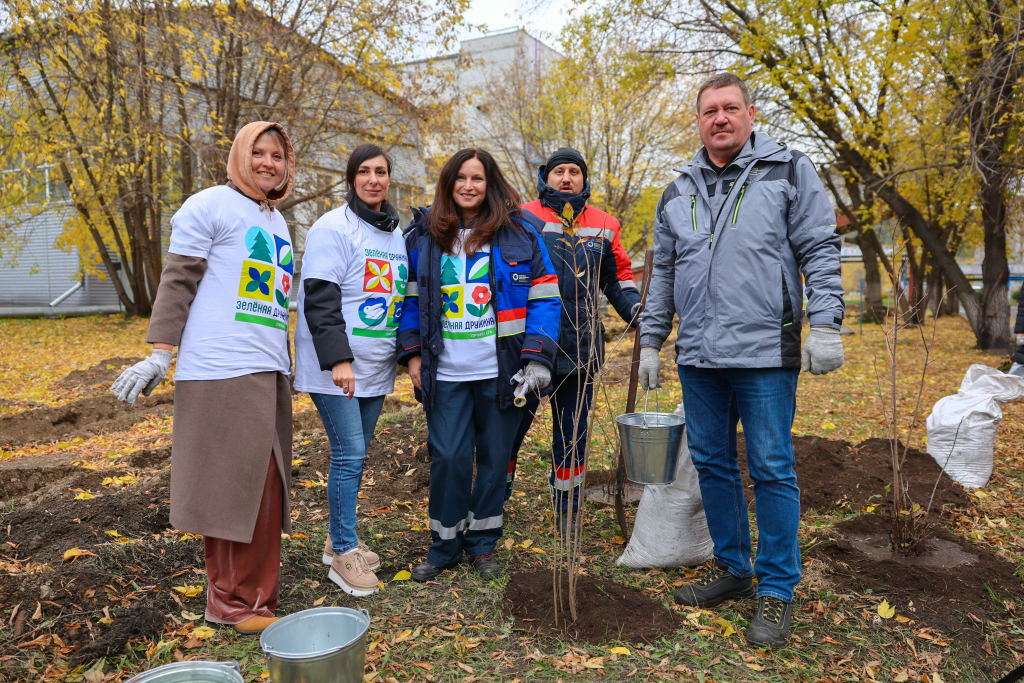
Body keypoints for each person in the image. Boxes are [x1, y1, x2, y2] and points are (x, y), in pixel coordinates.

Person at [638, 73, 845, 647]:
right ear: (698, 120)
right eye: (710, 111)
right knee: (712, 463)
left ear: (750, 114)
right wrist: (653, 341)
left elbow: (820, 247)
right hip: (699, 355)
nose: (720, 119)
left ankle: (777, 588)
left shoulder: (788, 171)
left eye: (731, 108)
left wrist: (825, 322)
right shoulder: (678, 188)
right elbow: (665, 274)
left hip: (765, 352)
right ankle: (734, 568)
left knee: (772, 467)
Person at [112, 121, 297, 635]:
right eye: (257, 152)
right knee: (231, 491)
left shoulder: (275, 219)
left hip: (266, 370)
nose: (267, 162)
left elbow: (272, 303)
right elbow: (178, 280)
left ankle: (259, 597)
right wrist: (158, 355)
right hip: (221, 370)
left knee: (266, 492)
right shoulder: (209, 204)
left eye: (277, 155)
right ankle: (230, 603)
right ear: (239, 155)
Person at [397, 148, 561, 581]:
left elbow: (544, 298)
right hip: (445, 372)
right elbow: (410, 302)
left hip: (501, 372)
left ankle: (482, 544)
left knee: (494, 457)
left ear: (491, 184)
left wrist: (537, 360)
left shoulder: (521, 233)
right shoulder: (423, 236)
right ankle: (445, 546)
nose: (469, 186)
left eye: (478, 178)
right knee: (449, 456)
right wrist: (412, 354)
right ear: (448, 184)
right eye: (461, 178)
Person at [293, 143, 407, 596]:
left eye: (381, 171)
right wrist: (339, 358)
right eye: (365, 172)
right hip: (337, 367)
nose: (374, 179)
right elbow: (319, 297)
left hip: (376, 366)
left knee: (355, 457)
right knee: (349, 454)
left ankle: (338, 538)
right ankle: (343, 553)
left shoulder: (394, 233)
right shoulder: (332, 228)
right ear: (351, 178)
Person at [510, 147, 641, 535]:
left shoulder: (605, 224)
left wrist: (635, 311)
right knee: (509, 432)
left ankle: (566, 507)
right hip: (528, 345)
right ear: (545, 178)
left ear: (585, 180)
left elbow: (618, 279)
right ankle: (493, 503)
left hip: (580, 347)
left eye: (574, 172)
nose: (566, 178)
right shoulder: (522, 217)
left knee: (572, 435)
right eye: (559, 172)